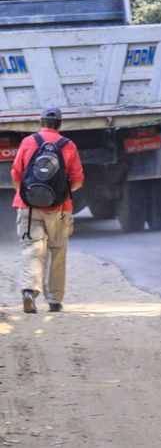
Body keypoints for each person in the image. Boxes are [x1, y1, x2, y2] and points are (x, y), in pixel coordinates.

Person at [11, 106, 84, 313]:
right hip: (60, 209)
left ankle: (29, 290)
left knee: (32, 248)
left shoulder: (28, 142)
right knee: (57, 251)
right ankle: (54, 300)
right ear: (59, 125)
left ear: (40, 122)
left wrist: (25, 195)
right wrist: (60, 193)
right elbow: (78, 181)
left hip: (28, 208)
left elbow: (16, 174)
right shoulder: (68, 146)